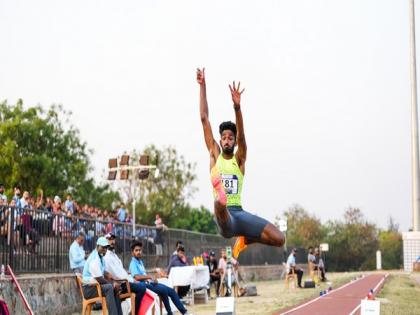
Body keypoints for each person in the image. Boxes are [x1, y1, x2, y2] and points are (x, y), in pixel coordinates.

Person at [196, 68, 285, 258]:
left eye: (231, 138)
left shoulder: (239, 159)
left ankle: (246, 238)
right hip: (225, 217)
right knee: (220, 202)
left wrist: (237, 108)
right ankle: (220, 194)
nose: (227, 140)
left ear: (235, 142)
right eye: (224, 137)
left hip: (239, 214)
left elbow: (243, 136)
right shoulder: (214, 154)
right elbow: (204, 118)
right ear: (220, 141)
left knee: (280, 238)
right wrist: (202, 86)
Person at [129, 241, 190, 315]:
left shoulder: (140, 262)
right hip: (143, 286)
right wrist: (150, 277)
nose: (139, 252)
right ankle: (169, 313)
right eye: (136, 250)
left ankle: (184, 312)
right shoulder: (133, 263)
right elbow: (137, 277)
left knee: (171, 291)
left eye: (140, 250)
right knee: (163, 290)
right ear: (132, 253)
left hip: (149, 283)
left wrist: (152, 278)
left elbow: (144, 274)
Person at [103, 233, 146, 315]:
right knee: (142, 288)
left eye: (113, 239)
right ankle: (135, 313)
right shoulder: (107, 257)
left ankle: (133, 311)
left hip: (124, 282)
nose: (112, 241)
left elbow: (121, 271)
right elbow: (117, 275)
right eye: (109, 239)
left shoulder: (114, 255)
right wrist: (132, 280)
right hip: (120, 285)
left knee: (143, 286)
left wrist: (130, 277)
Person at [82, 236, 123, 315]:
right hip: (88, 289)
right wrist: (112, 284)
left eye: (106, 247)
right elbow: (99, 279)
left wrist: (113, 280)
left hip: (94, 286)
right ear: (97, 246)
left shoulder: (100, 257)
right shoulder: (94, 259)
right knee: (109, 287)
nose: (104, 249)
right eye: (103, 247)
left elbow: (103, 271)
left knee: (115, 288)